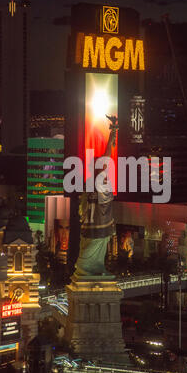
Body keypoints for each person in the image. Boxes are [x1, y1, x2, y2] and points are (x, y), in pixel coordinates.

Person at [74, 116, 118, 277]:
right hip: (97, 222)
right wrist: (112, 133)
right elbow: (107, 156)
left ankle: (95, 267)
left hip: (96, 221)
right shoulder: (97, 181)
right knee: (94, 245)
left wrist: (113, 133)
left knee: (99, 245)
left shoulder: (92, 181)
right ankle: (85, 267)